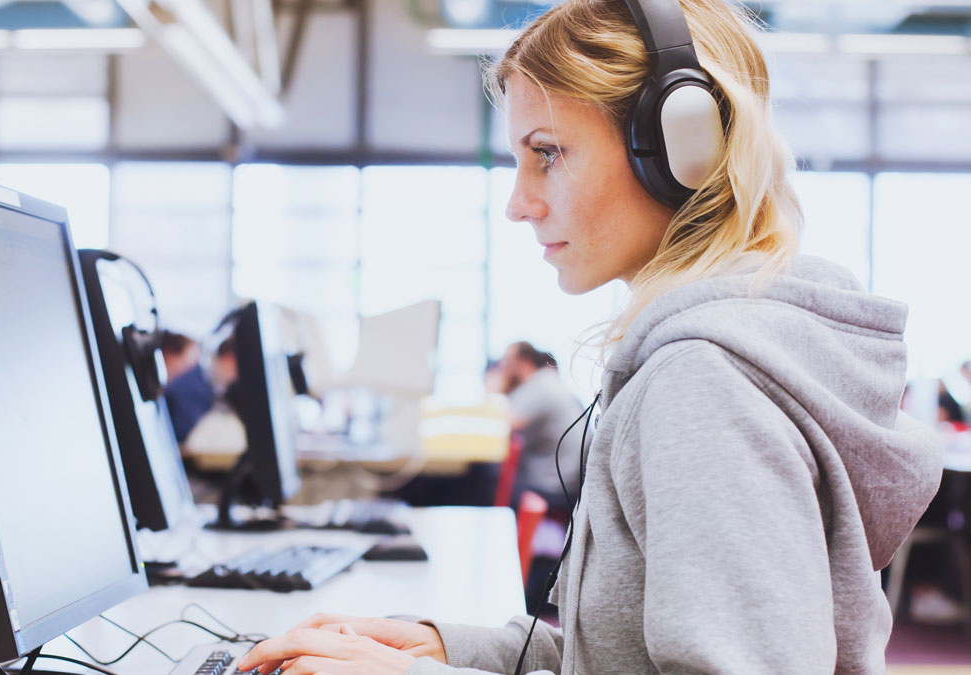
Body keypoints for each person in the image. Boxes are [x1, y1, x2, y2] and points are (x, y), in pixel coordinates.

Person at [236, 1, 944, 673]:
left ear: (677, 149)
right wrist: (432, 644)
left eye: (548, 153)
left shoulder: (703, 382)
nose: (519, 203)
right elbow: (610, 659)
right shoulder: (720, 356)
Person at [496, 342, 588, 508]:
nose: (502, 365)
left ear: (524, 362)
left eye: (507, 360)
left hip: (554, 483)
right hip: (569, 478)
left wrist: (497, 387)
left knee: (485, 478)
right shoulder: (547, 382)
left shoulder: (540, 386)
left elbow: (503, 426)